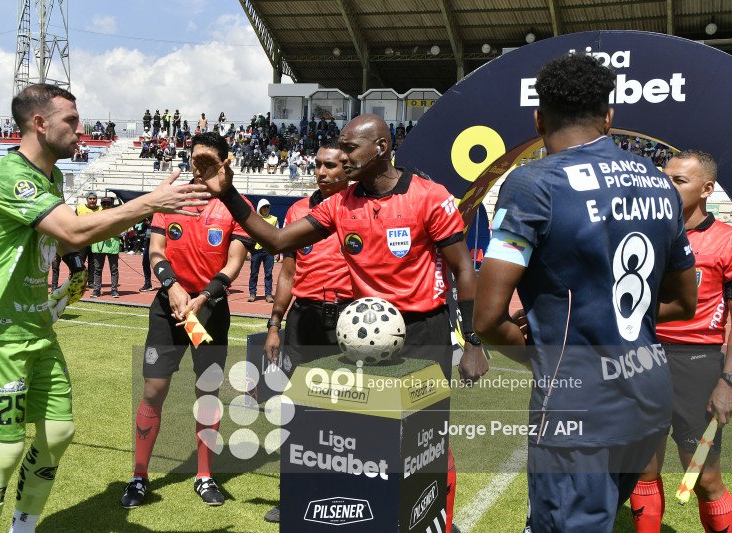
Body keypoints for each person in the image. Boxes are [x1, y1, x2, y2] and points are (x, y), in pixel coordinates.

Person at [195, 113, 488, 533]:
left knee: (428, 439)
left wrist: (473, 341)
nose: (343, 156)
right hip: (364, 336)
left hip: (424, 331)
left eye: (351, 148)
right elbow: (277, 240)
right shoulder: (339, 203)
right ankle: (384, 514)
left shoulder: (428, 196)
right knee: (371, 431)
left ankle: (439, 519)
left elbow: (463, 269)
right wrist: (228, 194)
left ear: (381, 149)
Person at [0, 83, 207, 533]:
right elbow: (72, 232)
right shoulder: (10, 176)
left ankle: (23, 527)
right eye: (71, 121)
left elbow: (61, 238)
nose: (81, 130)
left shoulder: (49, 179)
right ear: (40, 123)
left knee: (57, 433)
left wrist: (71, 270)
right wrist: (150, 202)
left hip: (36, 329)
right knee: (6, 449)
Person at [472, 54, 698, 532]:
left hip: (578, 407)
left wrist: (548, 355)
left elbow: (488, 319)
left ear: (538, 118)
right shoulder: (659, 185)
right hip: (648, 392)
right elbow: (684, 302)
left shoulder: (534, 183)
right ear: (609, 116)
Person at [120, 132, 254, 509]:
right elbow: (156, 251)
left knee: (207, 392)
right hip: (170, 307)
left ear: (225, 162)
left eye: (208, 159)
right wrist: (173, 288)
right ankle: (139, 476)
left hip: (209, 311)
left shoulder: (237, 207)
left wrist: (203, 297)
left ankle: (205, 475)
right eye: (194, 157)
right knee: (153, 391)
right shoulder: (173, 200)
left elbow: (234, 262)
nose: (198, 164)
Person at [630, 150, 732, 533]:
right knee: (643, 471)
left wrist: (728, 380)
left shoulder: (726, 241)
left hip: (697, 365)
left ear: (707, 189)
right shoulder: (643, 235)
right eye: (663, 178)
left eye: (678, 181)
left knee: (705, 479)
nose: (666, 187)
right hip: (643, 358)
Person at [262, 138, 354, 524]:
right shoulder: (300, 210)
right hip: (305, 316)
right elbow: (287, 273)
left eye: (330, 166)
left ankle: (348, 491)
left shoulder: (362, 206)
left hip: (352, 319)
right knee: (300, 408)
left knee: (350, 409)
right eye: (318, 164)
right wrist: (274, 323)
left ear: (348, 169)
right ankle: (296, 492)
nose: (320, 171)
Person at [90, 197, 121, 298]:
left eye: (108, 204)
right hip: (98, 246)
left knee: (114, 269)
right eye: (104, 204)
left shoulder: (118, 216)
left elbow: (124, 231)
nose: (106, 206)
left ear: (112, 204)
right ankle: (96, 289)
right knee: (97, 269)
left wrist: (113, 230)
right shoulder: (96, 216)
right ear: (101, 205)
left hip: (113, 247)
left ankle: (114, 290)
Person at [248, 199, 278, 303]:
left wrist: (277, 251)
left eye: (268, 207)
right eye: (264, 207)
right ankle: (252, 294)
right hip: (256, 250)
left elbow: (277, 235)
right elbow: (249, 235)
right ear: (259, 208)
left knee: (268, 273)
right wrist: (248, 251)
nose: (266, 209)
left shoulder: (274, 219)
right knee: (254, 273)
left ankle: (268, 295)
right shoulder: (254, 218)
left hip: (269, 250)